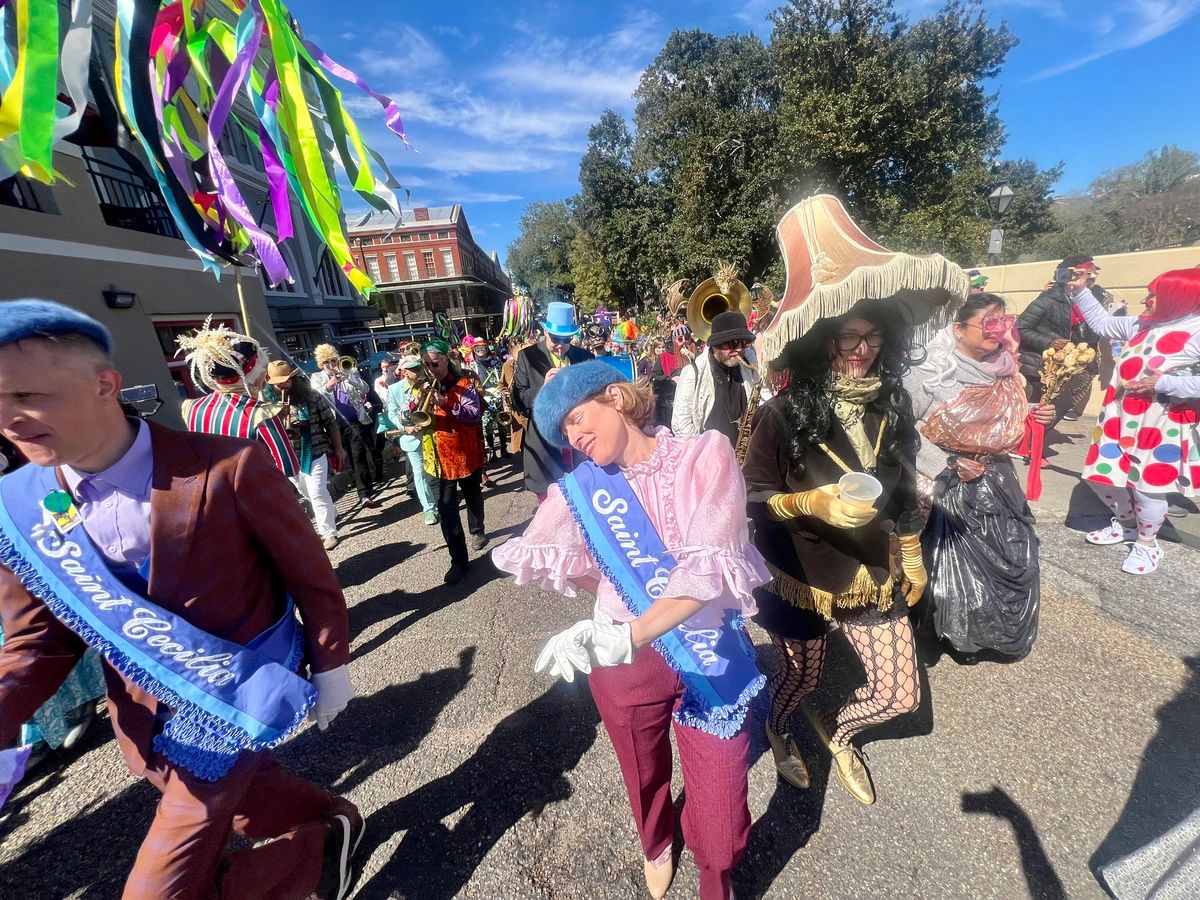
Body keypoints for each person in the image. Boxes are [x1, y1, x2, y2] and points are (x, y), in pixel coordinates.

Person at [0, 301, 361, 898]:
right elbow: (41, 641)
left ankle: (317, 854)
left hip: (231, 697)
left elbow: (310, 574)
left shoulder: (227, 467)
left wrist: (332, 664)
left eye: (27, 396)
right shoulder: (19, 503)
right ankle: (330, 829)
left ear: (104, 385)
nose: (10, 420)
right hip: (139, 715)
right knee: (247, 807)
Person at [492, 361, 769, 900]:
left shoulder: (702, 456)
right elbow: (555, 558)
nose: (572, 437)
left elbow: (706, 571)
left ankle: (716, 879)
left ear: (616, 397)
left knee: (720, 818)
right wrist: (610, 602)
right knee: (642, 771)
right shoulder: (576, 491)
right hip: (625, 660)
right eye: (563, 432)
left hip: (706, 652)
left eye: (575, 418)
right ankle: (657, 842)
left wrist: (633, 630)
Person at [742, 300, 926, 806]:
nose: (862, 350)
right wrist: (809, 502)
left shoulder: (894, 404)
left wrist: (910, 550)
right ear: (827, 344)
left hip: (868, 569)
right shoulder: (781, 412)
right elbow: (751, 495)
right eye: (850, 337)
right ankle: (778, 728)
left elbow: (907, 489)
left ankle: (838, 733)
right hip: (797, 570)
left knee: (898, 695)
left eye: (873, 337)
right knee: (801, 676)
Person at [905, 294, 1052, 659]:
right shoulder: (929, 372)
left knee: (1013, 553)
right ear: (958, 328)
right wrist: (945, 466)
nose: (999, 331)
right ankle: (948, 632)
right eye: (989, 323)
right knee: (943, 562)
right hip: (945, 481)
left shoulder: (1007, 369)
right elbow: (901, 429)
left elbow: (1002, 418)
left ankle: (993, 633)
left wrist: (1033, 413)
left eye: (1004, 322)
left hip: (998, 480)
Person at [1073, 269, 1200, 575]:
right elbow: (1102, 324)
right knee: (1099, 476)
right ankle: (1128, 526)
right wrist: (1080, 291)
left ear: (1179, 299)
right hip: (1119, 417)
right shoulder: (1141, 323)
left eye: (1156, 295)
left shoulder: (1196, 329)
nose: (1147, 299)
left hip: (1162, 422)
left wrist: (1166, 384)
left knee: (1147, 487)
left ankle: (1146, 544)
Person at [175, 319, 298, 476]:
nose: (264, 374)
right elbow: (289, 468)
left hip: (213, 495)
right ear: (252, 374)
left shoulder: (192, 408)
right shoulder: (261, 414)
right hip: (252, 494)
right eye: (263, 369)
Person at [420, 339, 487, 584]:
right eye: (426, 365)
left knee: (472, 496)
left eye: (434, 364)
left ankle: (477, 530)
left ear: (446, 360)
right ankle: (458, 560)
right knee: (447, 510)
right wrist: (409, 420)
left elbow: (473, 415)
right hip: (436, 459)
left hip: (463, 454)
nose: (430, 369)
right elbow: (414, 415)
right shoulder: (423, 385)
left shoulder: (464, 383)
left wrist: (447, 403)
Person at [511, 302, 593, 501]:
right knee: (551, 510)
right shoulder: (527, 357)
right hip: (544, 447)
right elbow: (518, 400)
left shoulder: (583, 356)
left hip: (578, 445)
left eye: (566, 339)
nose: (560, 345)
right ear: (545, 332)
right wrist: (544, 389)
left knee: (584, 504)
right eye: (556, 338)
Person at [262, 361, 346, 551]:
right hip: (287, 455)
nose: (282, 386)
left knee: (316, 492)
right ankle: (331, 511)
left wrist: (339, 449)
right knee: (304, 491)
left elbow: (331, 424)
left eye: (285, 382)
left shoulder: (312, 397)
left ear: (293, 379)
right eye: (277, 384)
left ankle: (328, 533)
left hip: (315, 451)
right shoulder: (266, 403)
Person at [1017, 255, 1102, 423]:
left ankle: (1030, 443)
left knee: (1050, 409)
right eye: (1085, 275)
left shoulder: (1089, 302)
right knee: (1041, 409)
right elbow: (1020, 328)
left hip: (1064, 368)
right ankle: (1025, 443)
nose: (1090, 280)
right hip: (1040, 366)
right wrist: (1049, 342)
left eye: (1092, 276)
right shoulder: (1048, 300)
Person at [671, 311, 761, 444]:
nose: (740, 349)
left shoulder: (748, 360)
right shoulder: (692, 372)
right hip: (710, 457)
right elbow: (681, 425)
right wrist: (708, 453)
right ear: (716, 344)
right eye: (734, 343)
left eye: (745, 342)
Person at [310, 344, 377, 509]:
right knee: (345, 457)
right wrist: (329, 385)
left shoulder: (348, 372)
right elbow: (314, 395)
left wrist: (350, 377)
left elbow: (366, 388)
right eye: (327, 362)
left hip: (354, 421)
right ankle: (356, 482)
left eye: (333, 361)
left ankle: (364, 494)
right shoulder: (317, 377)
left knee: (359, 456)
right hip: (333, 426)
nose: (331, 365)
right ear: (321, 364)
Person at [385, 355, 439, 526]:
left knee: (437, 468)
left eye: (419, 368)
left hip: (431, 432)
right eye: (414, 369)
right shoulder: (394, 389)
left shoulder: (429, 382)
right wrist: (404, 428)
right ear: (405, 372)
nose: (418, 372)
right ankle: (429, 509)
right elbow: (392, 414)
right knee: (419, 473)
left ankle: (442, 498)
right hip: (410, 436)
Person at [470, 339, 510, 462]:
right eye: (477, 349)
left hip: (498, 397)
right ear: (474, 351)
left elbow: (503, 380)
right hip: (484, 399)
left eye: (482, 348)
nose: (480, 351)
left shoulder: (497, 363)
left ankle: (504, 449)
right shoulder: (473, 366)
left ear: (487, 349)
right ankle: (492, 451)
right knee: (487, 426)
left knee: (502, 424)